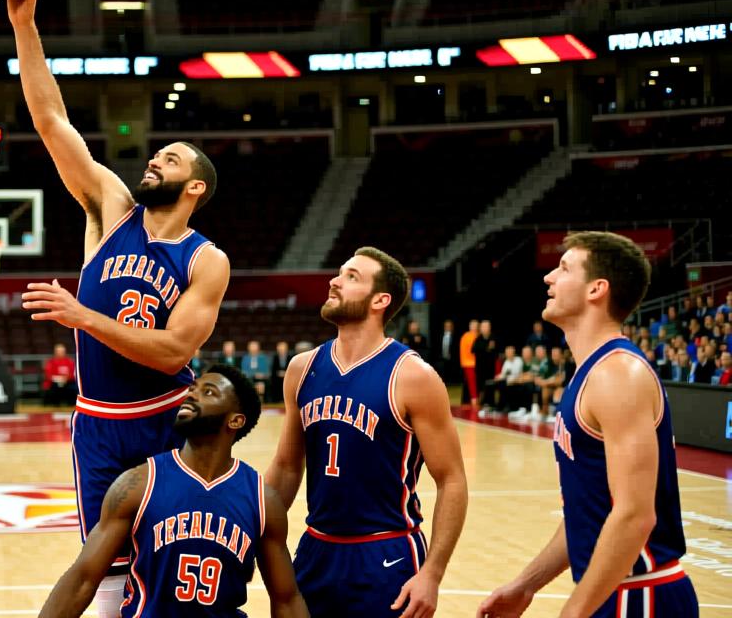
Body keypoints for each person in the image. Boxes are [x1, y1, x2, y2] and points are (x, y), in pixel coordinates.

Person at [11, 0, 229, 618]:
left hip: (169, 420)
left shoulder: (206, 259)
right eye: (157, 154)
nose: (155, 160)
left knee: (173, 569)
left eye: (171, 159)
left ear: (194, 186)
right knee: (103, 569)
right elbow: (53, 122)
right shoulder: (111, 209)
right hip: (98, 423)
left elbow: (173, 353)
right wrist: (25, 24)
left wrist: (82, 314)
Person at [481, 232, 698, 618]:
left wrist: (574, 612)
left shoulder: (617, 374)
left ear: (597, 289)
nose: (548, 277)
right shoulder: (591, 371)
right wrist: (526, 585)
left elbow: (635, 514)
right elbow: (590, 514)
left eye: (563, 268)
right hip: (613, 592)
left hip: (641, 594)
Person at [266, 247, 468, 618]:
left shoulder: (412, 376)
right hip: (316, 549)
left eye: (351, 277)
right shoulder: (301, 368)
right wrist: (253, 530)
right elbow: (286, 466)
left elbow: (451, 479)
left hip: (385, 553)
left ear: (380, 300)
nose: (334, 281)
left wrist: (433, 574)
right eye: (340, 273)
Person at [37, 365, 307, 618]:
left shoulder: (262, 500)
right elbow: (82, 579)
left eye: (208, 392)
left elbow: (286, 599)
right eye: (192, 389)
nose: (191, 395)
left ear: (235, 420)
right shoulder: (137, 483)